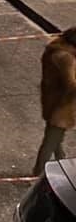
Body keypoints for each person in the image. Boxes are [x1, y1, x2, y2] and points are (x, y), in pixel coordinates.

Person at [33, 26, 76, 175]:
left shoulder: (55, 49)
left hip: (52, 100)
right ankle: (37, 174)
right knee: (51, 142)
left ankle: (61, 164)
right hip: (62, 106)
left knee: (55, 139)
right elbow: (71, 85)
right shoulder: (65, 57)